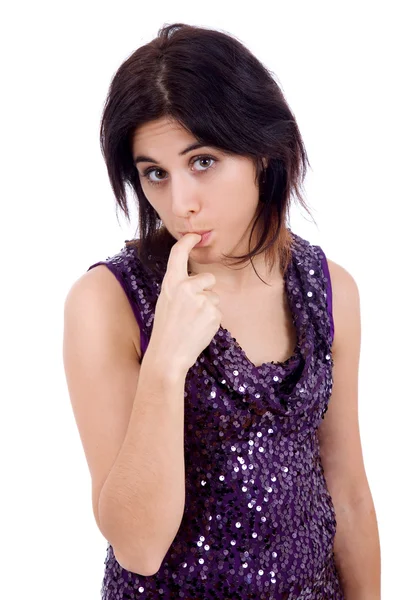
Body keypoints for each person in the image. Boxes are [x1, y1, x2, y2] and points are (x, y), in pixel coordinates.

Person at [62, 22, 380, 600]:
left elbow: (349, 491)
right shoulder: (107, 302)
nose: (179, 203)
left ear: (261, 148)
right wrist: (165, 363)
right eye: (154, 173)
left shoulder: (330, 290)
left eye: (202, 161)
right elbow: (138, 547)